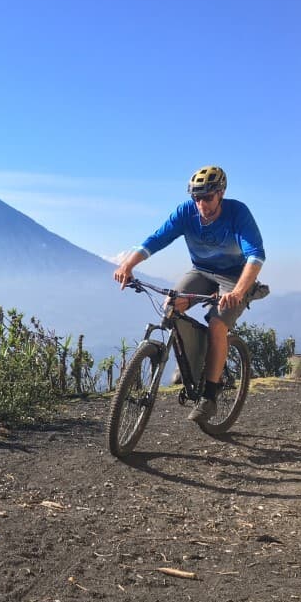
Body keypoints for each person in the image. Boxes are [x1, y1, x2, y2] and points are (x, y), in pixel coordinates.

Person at [113, 165, 266, 423]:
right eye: (197, 198)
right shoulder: (186, 212)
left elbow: (255, 255)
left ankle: (210, 395)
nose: (201, 204)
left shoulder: (237, 213)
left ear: (221, 193)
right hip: (201, 271)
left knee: (217, 324)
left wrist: (238, 291)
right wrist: (128, 265)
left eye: (207, 197)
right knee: (171, 306)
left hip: (234, 275)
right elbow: (157, 239)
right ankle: (188, 364)